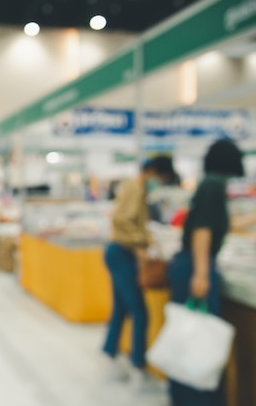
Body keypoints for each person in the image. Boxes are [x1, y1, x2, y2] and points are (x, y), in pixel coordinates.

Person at [168, 140, 256, 406]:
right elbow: (203, 231)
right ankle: (197, 398)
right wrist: (202, 273)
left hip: (192, 264)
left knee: (190, 334)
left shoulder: (210, 185)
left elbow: (221, 225)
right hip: (197, 265)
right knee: (199, 337)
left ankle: (187, 395)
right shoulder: (214, 186)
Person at [102, 155, 177, 389]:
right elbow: (122, 220)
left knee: (123, 307)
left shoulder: (136, 188)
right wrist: (141, 243)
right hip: (122, 252)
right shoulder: (135, 188)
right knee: (139, 311)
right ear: (153, 171)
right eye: (160, 176)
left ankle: (111, 351)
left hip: (118, 252)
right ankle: (138, 364)